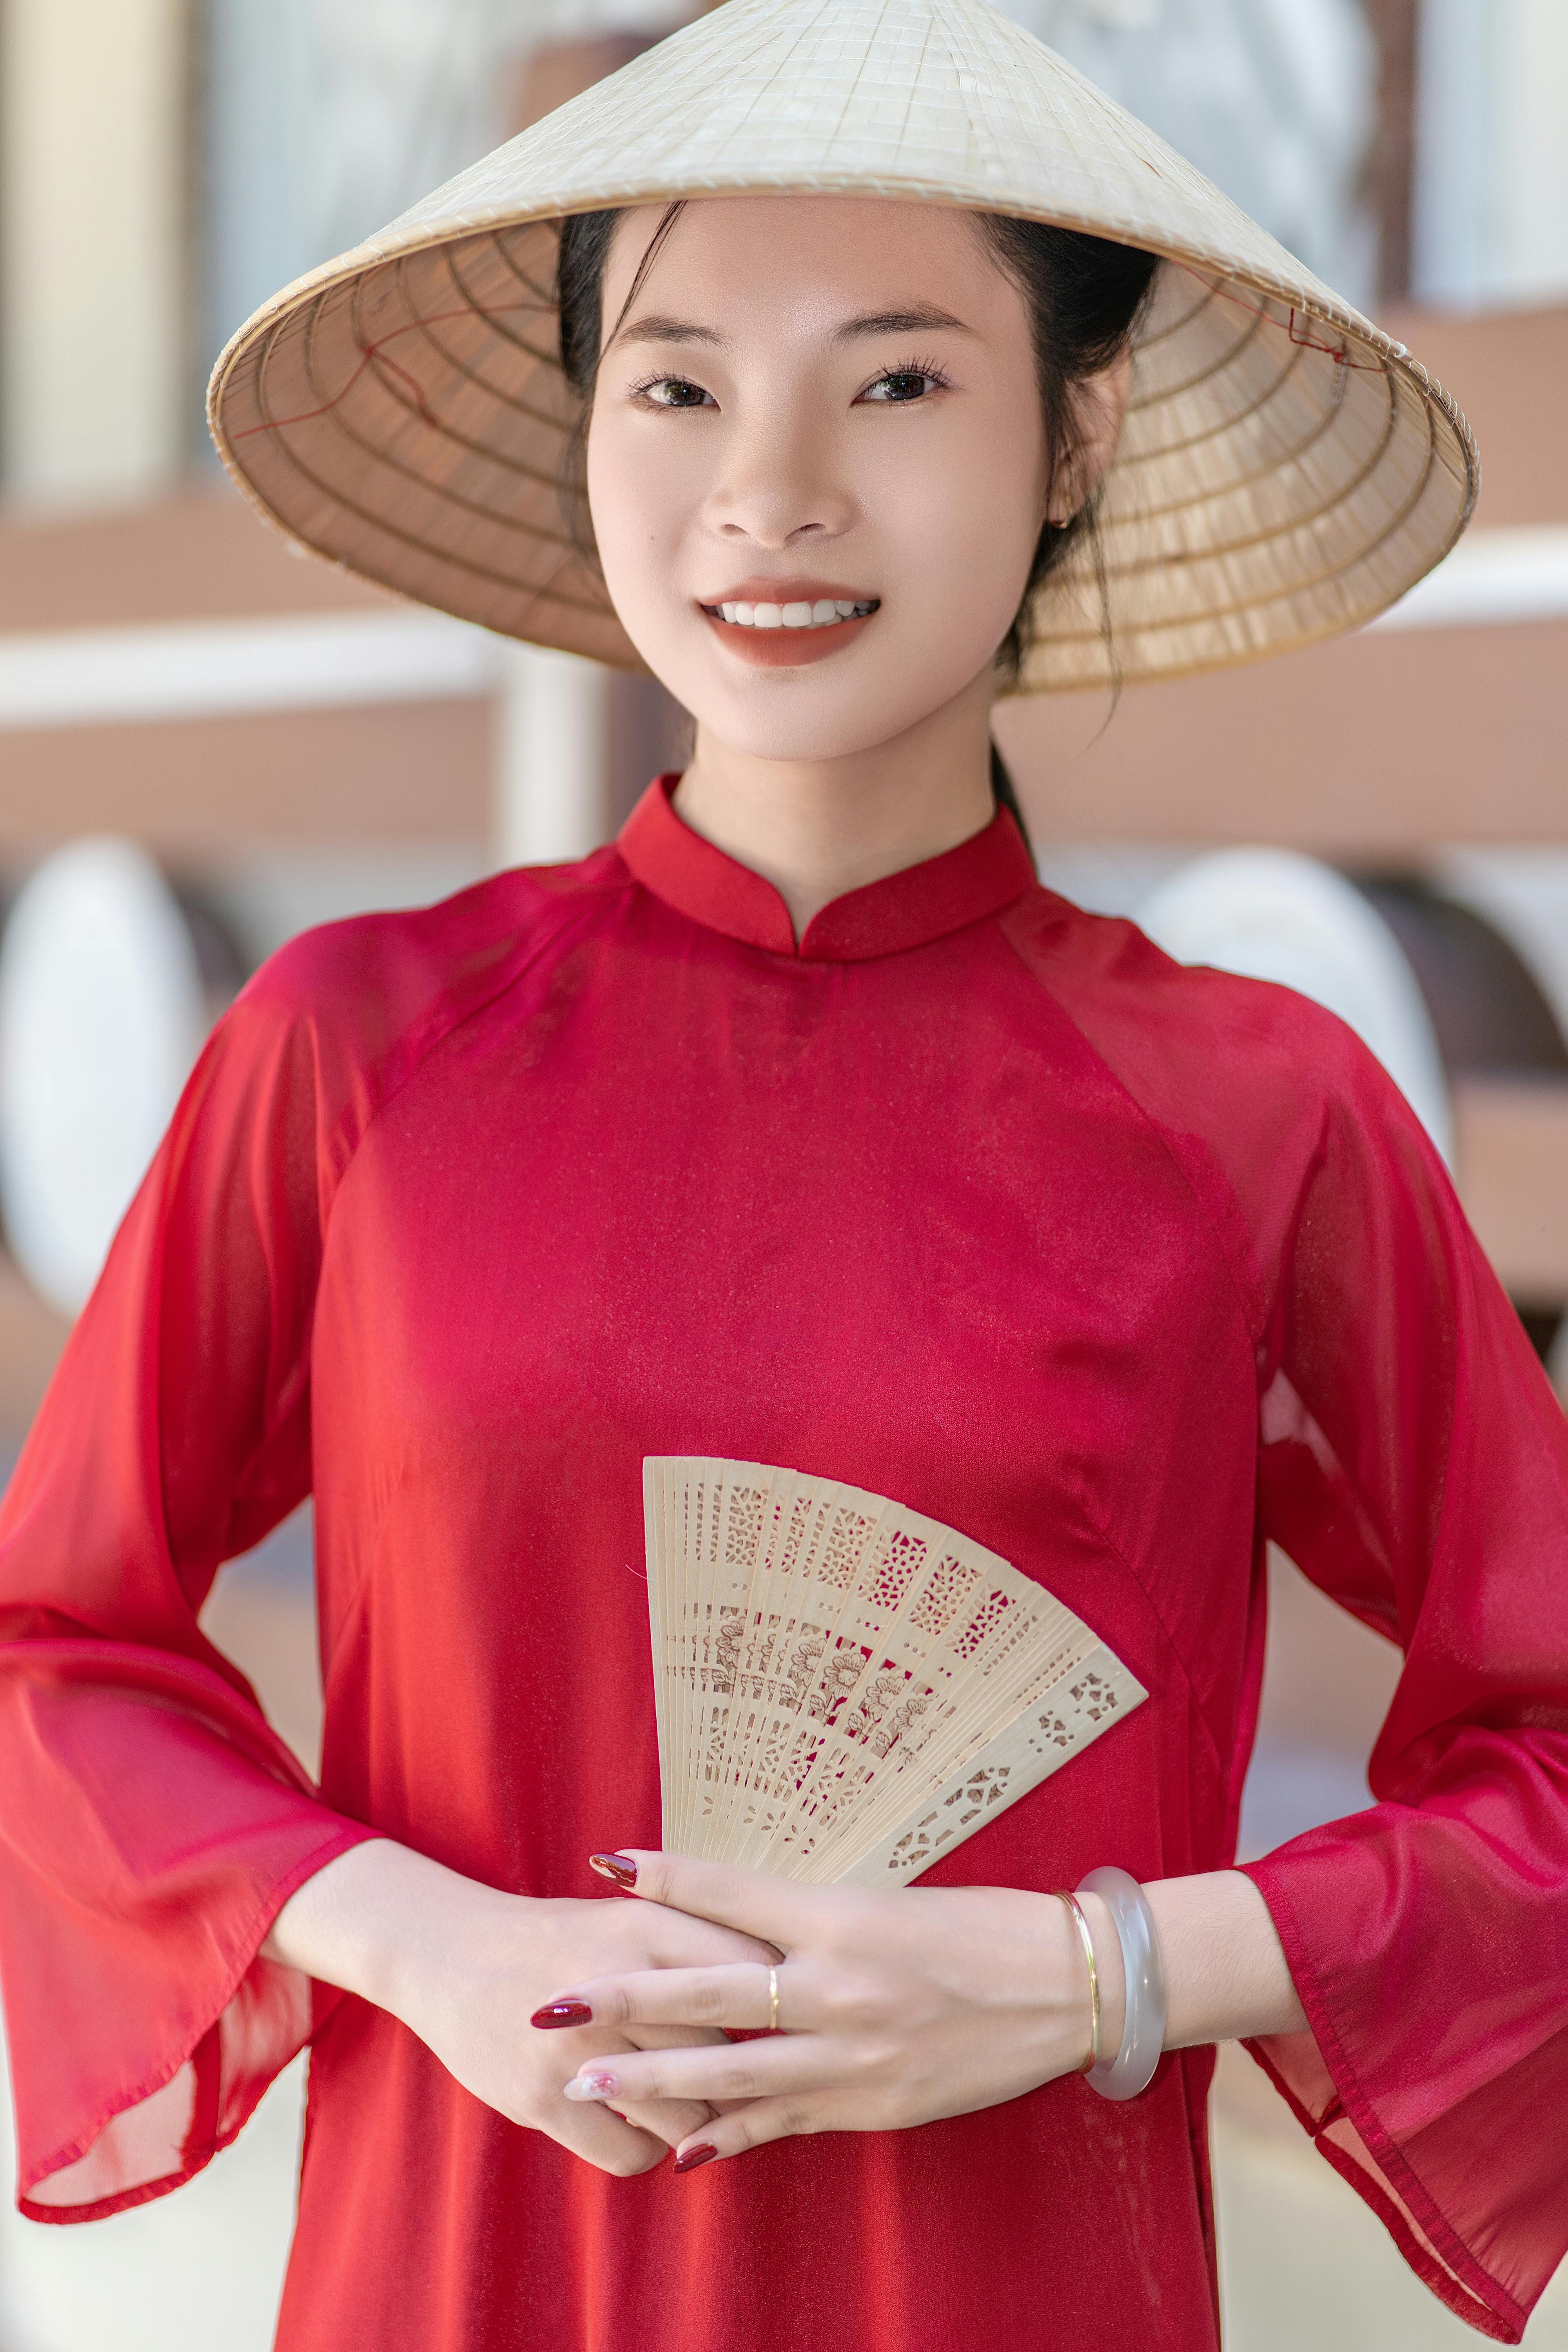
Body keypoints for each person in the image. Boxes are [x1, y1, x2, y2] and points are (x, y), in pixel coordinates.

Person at [2, 1, 1564, 2346]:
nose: (774, 488)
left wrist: (1093, 1975)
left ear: (1079, 436)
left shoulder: (1260, 1108)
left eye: (903, 379)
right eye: (679, 382)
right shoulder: (352, 1047)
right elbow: (58, 1647)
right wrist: (423, 1941)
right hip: (455, 2286)